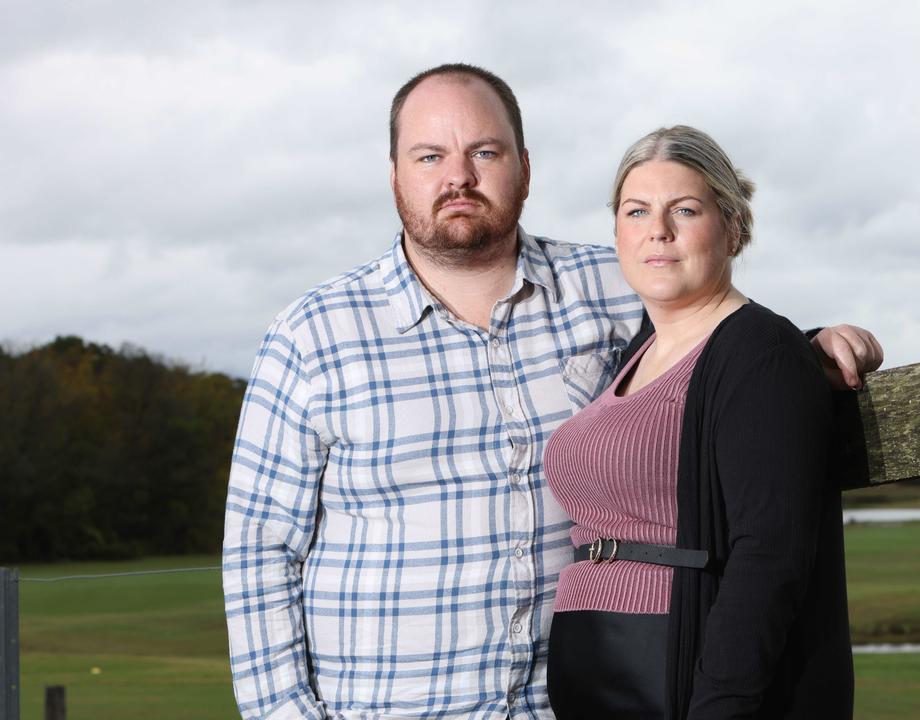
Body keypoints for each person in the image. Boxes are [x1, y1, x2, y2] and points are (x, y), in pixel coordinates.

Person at [223, 64, 879, 720]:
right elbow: (260, 555)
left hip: (573, 702)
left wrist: (804, 346)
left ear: (525, 169)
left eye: (485, 152)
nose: (459, 177)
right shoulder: (312, 335)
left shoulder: (612, 285)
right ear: (394, 175)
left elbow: (713, 335)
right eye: (430, 156)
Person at [545, 125, 853, 719]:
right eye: (636, 212)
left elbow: (770, 558)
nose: (657, 230)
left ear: (734, 226)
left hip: (679, 676)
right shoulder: (636, 351)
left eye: (684, 209)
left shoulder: (760, 351)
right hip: (595, 671)